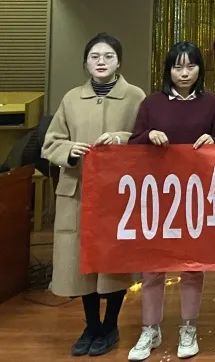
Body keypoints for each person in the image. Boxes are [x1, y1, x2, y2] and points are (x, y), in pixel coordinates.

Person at [42, 33, 145, 358]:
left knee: (113, 259)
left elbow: (144, 138)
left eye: (108, 56)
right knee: (80, 260)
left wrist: (122, 138)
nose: (101, 62)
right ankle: (91, 326)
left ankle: (111, 325)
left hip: (118, 193)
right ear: (85, 62)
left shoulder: (135, 96)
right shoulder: (72, 98)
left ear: (119, 61)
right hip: (78, 191)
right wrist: (69, 150)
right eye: (95, 56)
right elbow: (51, 142)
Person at [128, 41, 215, 361]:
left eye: (190, 66)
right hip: (157, 196)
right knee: (153, 267)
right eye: (177, 67)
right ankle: (150, 328)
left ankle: (188, 327)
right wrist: (149, 136)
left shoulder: (212, 103)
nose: (184, 73)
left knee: (192, 266)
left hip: (196, 196)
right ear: (168, 70)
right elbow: (133, 143)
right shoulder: (151, 103)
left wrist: (214, 140)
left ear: (200, 69)